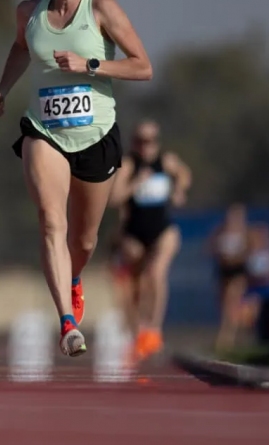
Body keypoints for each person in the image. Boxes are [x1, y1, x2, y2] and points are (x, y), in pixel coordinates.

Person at [0, 0, 153, 357]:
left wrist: (90, 64)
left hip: (96, 136)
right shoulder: (29, 12)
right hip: (44, 130)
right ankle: (66, 323)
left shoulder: (103, 10)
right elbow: (21, 48)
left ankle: (74, 279)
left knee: (84, 241)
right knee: (49, 221)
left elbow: (142, 66)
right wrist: (2, 90)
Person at [107, 120, 191, 360]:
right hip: (134, 233)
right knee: (135, 285)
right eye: (140, 141)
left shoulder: (166, 161)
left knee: (156, 273)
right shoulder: (128, 164)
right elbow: (114, 198)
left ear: (156, 142)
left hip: (163, 231)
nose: (145, 146)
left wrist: (179, 189)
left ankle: (154, 330)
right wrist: (135, 184)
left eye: (150, 141)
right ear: (134, 142)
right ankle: (138, 333)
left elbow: (184, 174)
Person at [206, 203, 252, 351]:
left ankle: (227, 337)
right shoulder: (220, 232)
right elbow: (210, 248)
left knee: (232, 302)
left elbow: (249, 252)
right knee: (224, 303)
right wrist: (221, 255)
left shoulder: (246, 233)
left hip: (238, 271)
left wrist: (235, 257)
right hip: (223, 270)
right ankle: (229, 332)